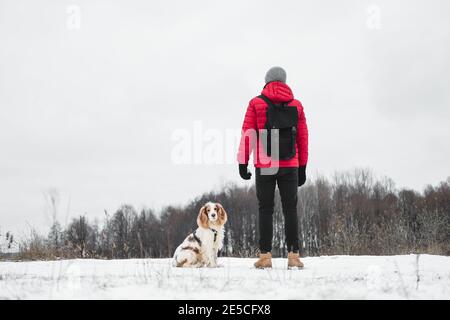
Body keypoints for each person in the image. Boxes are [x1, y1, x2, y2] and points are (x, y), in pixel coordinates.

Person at [237, 66, 309, 269]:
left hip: (266, 164)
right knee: (290, 209)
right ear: (284, 82)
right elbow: (303, 138)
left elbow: (248, 134)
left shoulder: (257, 103)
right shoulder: (297, 105)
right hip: (290, 164)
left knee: (265, 209)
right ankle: (294, 257)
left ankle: (265, 257)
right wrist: (302, 166)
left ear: (267, 81)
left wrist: (243, 162)